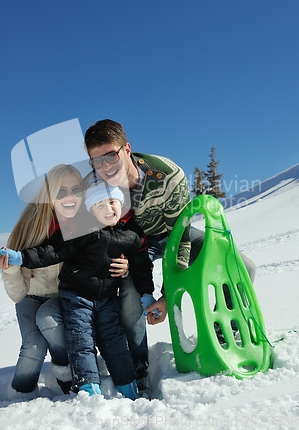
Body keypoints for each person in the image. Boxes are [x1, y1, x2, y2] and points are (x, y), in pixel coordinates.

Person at [83, 119, 257, 383]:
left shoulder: (167, 176)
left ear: (127, 149)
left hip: (174, 233)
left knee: (242, 265)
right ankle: (139, 366)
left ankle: (225, 333)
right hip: (135, 248)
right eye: (96, 161)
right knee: (131, 302)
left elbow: (182, 235)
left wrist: (166, 297)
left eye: (111, 156)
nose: (105, 167)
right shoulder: (95, 186)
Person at [0, 181, 156, 400]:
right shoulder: (81, 231)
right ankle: (88, 387)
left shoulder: (130, 236)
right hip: (76, 296)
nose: (108, 209)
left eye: (112, 202)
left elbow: (141, 264)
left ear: (121, 205)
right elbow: (53, 251)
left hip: (107, 298)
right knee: (81, 340)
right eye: (100, 205)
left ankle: (128, 385)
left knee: (114, 340)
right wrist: (22, 258)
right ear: (91, 210)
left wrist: (146, 293)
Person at [0, 164, 86, 399]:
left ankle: (67, 379)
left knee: (49, 320)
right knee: (33, 346)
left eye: (76, 190)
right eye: (61, 192)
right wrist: (10, 269)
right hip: (31, 297)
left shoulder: (85, 227)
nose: (70, 197)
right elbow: (18, 296)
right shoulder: (28, 231)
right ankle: (20, 397)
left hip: (64, 296)